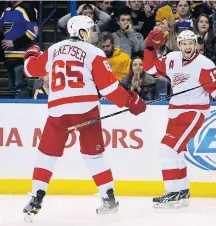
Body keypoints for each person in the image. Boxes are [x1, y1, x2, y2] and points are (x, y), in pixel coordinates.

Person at [22, 15, 146, 221]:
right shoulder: (94, 52)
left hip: (58, 109)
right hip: (86, 109)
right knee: (94, 156)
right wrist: (132, 102)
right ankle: (108, 198)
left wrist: (31, 53)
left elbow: (30, 69)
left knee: (47, 155)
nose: (94, 34)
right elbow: (109, 88)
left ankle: (35, 198)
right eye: (90, 30)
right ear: (82, 31)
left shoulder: (54, 49)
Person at [143, 29, 216, 208]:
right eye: (184, 43)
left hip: (194, 111)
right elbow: (150, 68)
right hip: (175, 111)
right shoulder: (172, 59)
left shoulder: (204, 64)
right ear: (179, 45)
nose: (188, 47)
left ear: (196, 45)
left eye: (191, 43)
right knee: (176, 151)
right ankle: (182, 192)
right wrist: (149, 48)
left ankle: (172, 192)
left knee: (167, 149)